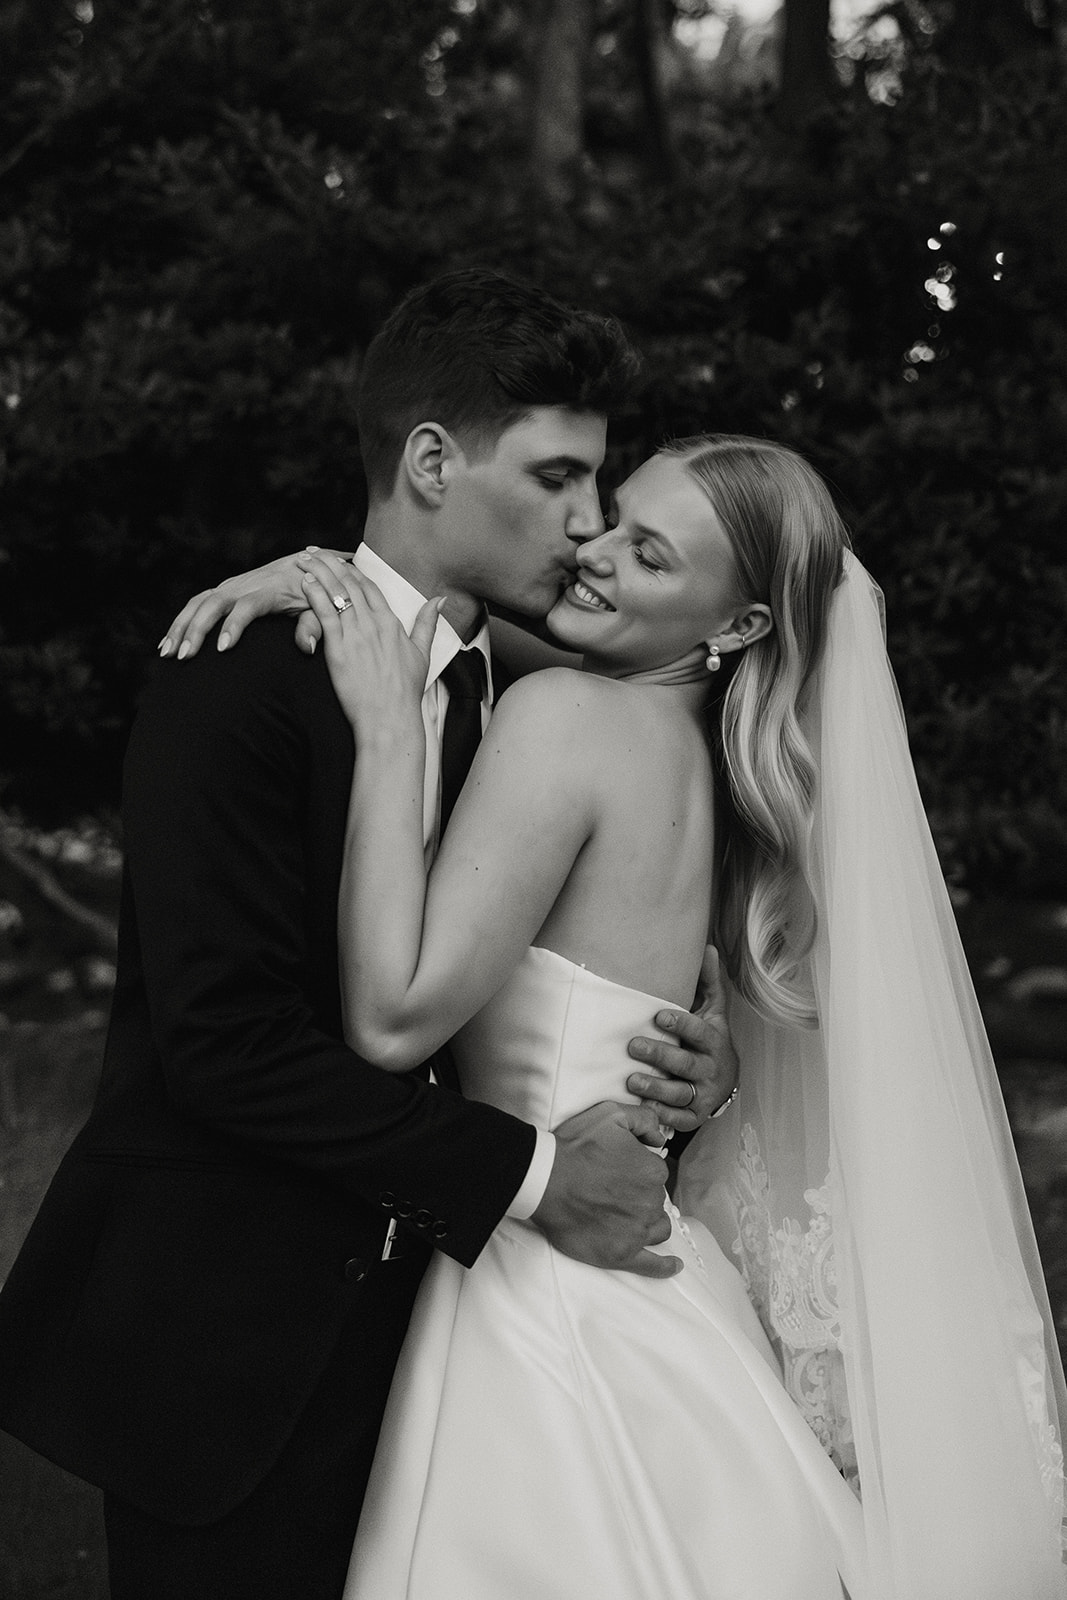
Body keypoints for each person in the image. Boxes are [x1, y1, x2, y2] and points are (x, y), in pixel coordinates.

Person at [181, 432, 1067, 1598]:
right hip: (645, 1266)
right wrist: (321, 571)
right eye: (611, 518)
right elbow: (453, 620)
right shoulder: (694, 752)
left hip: (534, 1269)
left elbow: (393, 1021)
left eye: (646, 556)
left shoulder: (565, 719)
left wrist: (390, 735)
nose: (591, 554)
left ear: (737, 628)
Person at [0, 271, 738, 1600]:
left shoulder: (533, 693)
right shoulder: (235, 671)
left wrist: (694, 1046)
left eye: (600, 489)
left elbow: (568, 953)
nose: (586, 526)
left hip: (440, 1356)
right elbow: (224, 1046)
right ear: (431, 461)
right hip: (226, 1349)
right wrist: (528, 1175)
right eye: (560, 477)